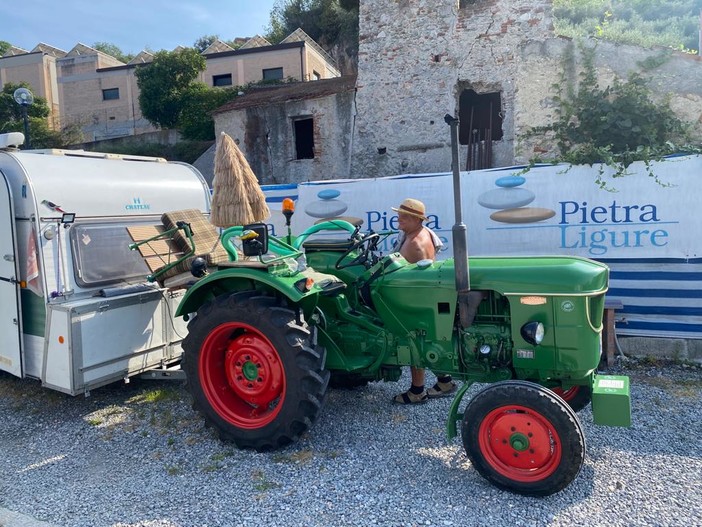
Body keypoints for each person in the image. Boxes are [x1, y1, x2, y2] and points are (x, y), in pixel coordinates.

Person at [390, 198, 457, 404]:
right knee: (431, 341)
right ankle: (444, 381)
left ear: (415, 219)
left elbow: (398, 273)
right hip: (427, 293)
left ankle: (417, 391)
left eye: (403, 216)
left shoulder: (415, 243)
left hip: (415, 297)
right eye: (399, 214)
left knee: (414, 341)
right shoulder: (425, 234)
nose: (398, 219)